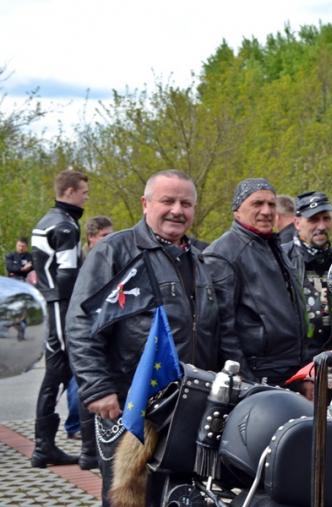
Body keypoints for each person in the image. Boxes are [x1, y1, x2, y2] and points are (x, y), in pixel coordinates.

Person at [66, 170, 235, 504]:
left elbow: (215, 329)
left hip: (190, 404)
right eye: (167, 201)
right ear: (145, 204)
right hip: (131, 406)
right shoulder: (115, 251)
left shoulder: (201, 258)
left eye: (186, 203)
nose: (177, 210)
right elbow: (82, 323)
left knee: (180, 495)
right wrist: (97, 387)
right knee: (130, 497)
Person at [204, 178, 307, 387]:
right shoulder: (223, 254)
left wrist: (304, 372)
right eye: (257, 203)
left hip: (289, 369)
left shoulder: (274, 246)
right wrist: (246, 382)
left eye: (271, 204)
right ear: (237, 210)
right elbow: (222, 330)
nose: (267, 211)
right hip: (257, 374)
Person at [29, 169, 89, 468]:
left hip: (51, 303)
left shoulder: (48, 220)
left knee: (59, 373)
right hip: (61, 305)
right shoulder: (65, 225)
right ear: (69, 191)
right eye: (84, 192)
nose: (86, 197)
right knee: (67, 370)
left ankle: (46, 446)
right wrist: (82, 301)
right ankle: (51, 447)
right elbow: (67, 274)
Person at [281, 192, 332, 398]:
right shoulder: (282, 260)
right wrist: (300, 375)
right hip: (297, 368)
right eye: (313, 219)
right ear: (297, 223)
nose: (321, 226)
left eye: (326, 218)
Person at [63, 215, 113, 467]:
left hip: (98, 332)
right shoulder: (89, 260)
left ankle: (87, 446)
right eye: (104, 235)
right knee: (80, 384)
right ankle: (84, 441)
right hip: (81, 331)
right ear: (92, 237)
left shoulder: (108, 257)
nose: (109, 239)